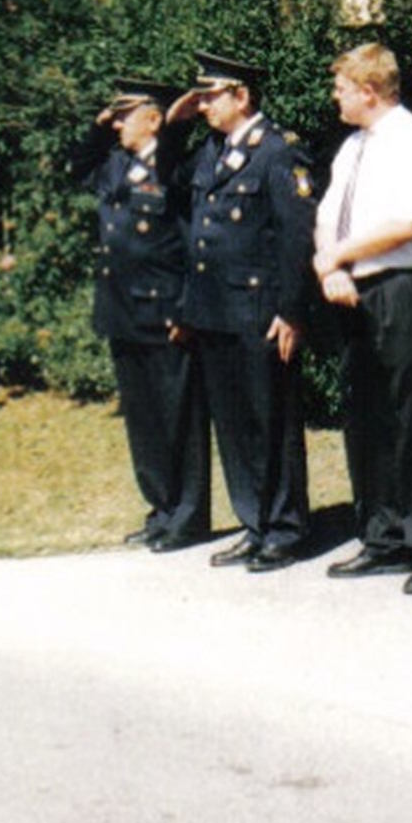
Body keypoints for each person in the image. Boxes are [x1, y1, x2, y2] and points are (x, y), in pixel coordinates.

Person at [312, 43, 412, 593]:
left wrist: (340, 254)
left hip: (402, 287)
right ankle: (382, 534)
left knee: (410, 412)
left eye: (342, 88)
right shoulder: (351, 148)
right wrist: (334, 268)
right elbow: (327, 215)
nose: (336, 97)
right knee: (365, 413)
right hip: (352, 287)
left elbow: (410, 223)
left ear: (369, 91)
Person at [170, 51, 316, 574]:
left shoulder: (277, 152)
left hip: (259, 310)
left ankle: (283, 527)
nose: (204, 105)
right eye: (202, 97)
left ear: (242, 96)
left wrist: (292, 311)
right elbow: (167, 184)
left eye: (212, 95)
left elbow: (297, 237)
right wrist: (173, 123)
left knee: (268, 421)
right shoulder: (212, 150)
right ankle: (253, 522)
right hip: (214, 310)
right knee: (232, 425)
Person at [70, 76, 210, 553]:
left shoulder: (177, 171)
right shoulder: (115, 167)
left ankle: (188, 516)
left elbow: (194, 245)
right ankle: (160, 508)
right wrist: (98, 124)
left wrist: (185, 308)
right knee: (145, 420)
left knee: (178, 418)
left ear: (153, 119)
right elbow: (77, 165)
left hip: (163, 309)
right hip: (122, 310)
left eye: (123, 115)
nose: (115, 125)